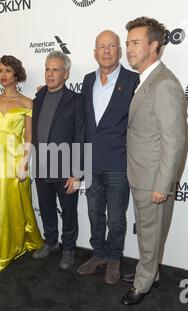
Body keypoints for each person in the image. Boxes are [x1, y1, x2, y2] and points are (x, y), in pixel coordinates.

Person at [121, 17, 187, 305]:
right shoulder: (145, 80)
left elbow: (175, 140)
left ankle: (143, 284)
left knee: (150, 231)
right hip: (141, 174)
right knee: (149, 232)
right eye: (127, 43)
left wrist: (163, 184)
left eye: (135, 43)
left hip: (153, 180)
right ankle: (150, 273)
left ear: (154, 46)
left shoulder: (164, 84)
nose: (128, 49)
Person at [77, 31, 138, 284]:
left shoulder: (133, 80)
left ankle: (114, 258)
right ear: (94, 52)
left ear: (119, 51)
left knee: (115, 217)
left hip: (118, 163)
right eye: (101, 46)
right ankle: (99, 254)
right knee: (94, 213)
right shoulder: (88, 79)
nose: (106, 51)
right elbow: (83, 121)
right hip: (92, 162)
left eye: (111, 46)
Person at [0, 55, 43, 273]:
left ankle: (17, 242)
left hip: (16, 160)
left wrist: (25, 162)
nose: (3, 75)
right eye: (0, 71)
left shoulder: (27, 103)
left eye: (7, 70)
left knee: (17, 204)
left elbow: (28, 137)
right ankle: (0, 241)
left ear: (16, 74)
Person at [31, 51, 85, 270]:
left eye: (55, 69)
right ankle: (51, 242)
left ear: (66, 74)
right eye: (47, 69)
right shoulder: (39, 97)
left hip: (65, 169)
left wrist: (77, 173)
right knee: (46, 208)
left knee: (69, 212)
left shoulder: (76, 100)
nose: (50, 74)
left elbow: (81, 136)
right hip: (42, 166)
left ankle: (69, 249)